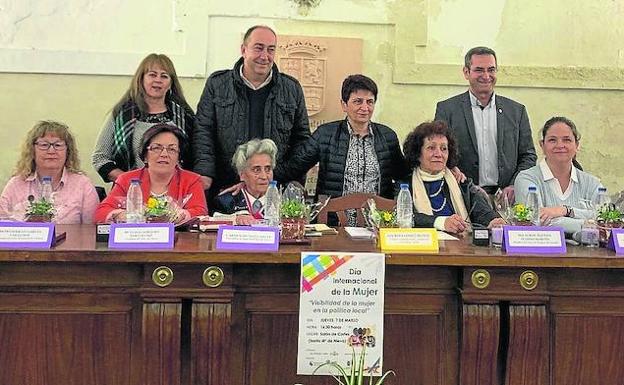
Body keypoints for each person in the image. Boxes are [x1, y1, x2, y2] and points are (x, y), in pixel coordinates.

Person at [192, 25, 310, 199]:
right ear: (243, 49)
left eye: (271, 49)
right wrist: (204, 173)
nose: (265, 56)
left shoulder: (291, 89)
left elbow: (301, 140)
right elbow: (203, 131)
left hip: (274, 189)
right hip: (225, 188)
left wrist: (274, 177)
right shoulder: (217, 85)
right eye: (258, 48)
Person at [283, 74, 409, 224]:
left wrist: (393, 204)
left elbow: (404, 175)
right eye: (358, 102)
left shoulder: (387, 137)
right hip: (333, 225)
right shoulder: (325, 134)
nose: (365, 108)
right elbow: (293, 168)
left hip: (378, 226)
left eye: (370, 102)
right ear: (344, 104)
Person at [434, 46, 536, 201]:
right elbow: (439, 153)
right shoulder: (447, 110)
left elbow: (528, 155)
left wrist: (515, 184)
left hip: (507, 200)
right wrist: (456, 174)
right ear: (466, 72)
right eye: (479, 70)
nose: (486, 75)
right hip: (464, 197)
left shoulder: (516, 111)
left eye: (491, 70)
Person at [92, 53, 195, 183]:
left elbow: (197, 159)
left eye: (164, 76)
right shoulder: (121, 115)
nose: (158, 80)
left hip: (177, 191)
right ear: (141, 79)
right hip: (131, 191)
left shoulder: (185, 117)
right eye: (152, 74)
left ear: (170, 84)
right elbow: (100, 158)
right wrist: (132, 182)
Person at [403, 120, 505, 234]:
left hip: (461, 246)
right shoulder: (404, 185)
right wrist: (442, 222)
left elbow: (481, 210)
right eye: (431, 148)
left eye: (444, 149)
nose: (438, 154)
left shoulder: (460, 181)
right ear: (417, 153)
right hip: (424, 246)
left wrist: (492, 220)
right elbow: (406, 216)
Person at [94, 124, 207, 223]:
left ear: (179, 157)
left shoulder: (192, 180)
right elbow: (101, 212)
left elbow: (200, 212)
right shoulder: (127, 180)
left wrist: (178, 216)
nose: (164, 154)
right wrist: (123, 215)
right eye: (156, 148)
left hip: (178, 241)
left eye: (172, 149)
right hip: (136, 241)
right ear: (145, 156)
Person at [514, 117, 602, 234]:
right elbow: (537, 222)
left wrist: (565, 211)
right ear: (542, 145)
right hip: (542, 251)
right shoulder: (526, 178)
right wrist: (588, 224)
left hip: (589, 251)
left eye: (567, 140)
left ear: (577, 145)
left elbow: (604, 219)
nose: (560, 145)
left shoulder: (593, 183)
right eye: (552, 140)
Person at [0, 121, 99, 224]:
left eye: (58, 145)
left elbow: (92, 231)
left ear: (68, 151)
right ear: (32, 150)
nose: (51, 151)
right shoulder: (16, 184)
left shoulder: (82, 184)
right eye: (44, 145)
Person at [212, 138, 278, 225]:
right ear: (242, 174)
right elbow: (208, 222)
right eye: (256, 170)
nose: (264, 176)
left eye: (268, 169)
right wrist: (235, 219)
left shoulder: (283, 201)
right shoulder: (225, 202)